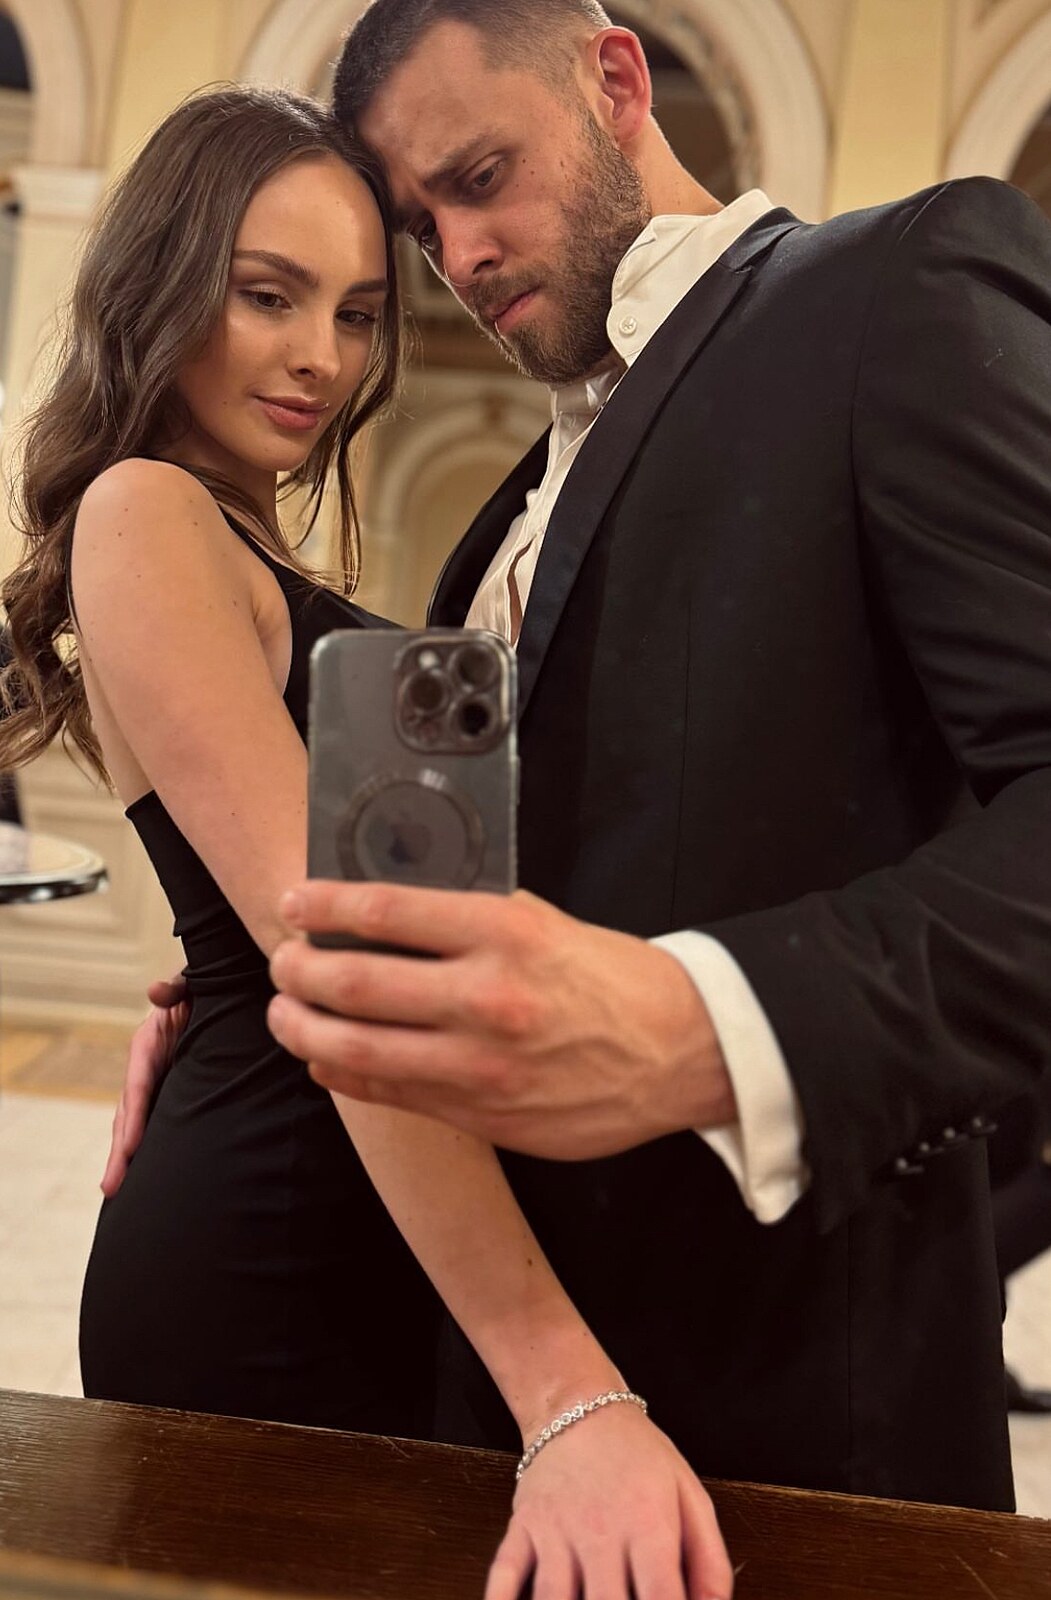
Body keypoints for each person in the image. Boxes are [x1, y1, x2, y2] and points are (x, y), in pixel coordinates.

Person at [257, 0, 1051, 1514]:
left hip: (801, 1416)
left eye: (481, 176)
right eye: (424, 229)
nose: (460, 256)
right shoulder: (508, 510)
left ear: (614, 78)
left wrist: (704, 1028)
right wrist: (243, 989)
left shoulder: (894, 289)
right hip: (516, 1407)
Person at [0, 85, 734, 1600]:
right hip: (268, 1236)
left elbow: (350, 915)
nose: (320, 358)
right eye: (267, 296)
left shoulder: (240, 536)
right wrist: (567, 1392)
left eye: (353, 312)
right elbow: (345, 964)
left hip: (370, 1206)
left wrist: (216, 978)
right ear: (160, 282)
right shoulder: (145, 511)